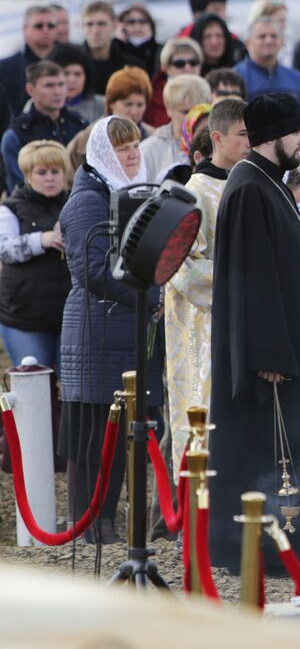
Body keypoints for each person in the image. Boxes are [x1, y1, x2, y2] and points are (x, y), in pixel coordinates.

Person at [209, 93, 300, 570]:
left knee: (293, 450)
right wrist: (270, 356)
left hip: (288, 346)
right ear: (273, 137)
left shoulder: (269, 182)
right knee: (271, 455)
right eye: (296, 132)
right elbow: (251, 282)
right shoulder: (248, 189)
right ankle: (267, 550)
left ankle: (298, 544)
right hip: (272, 361)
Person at [58, 116, 160, 544]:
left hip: (121, 328)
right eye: (122, 148)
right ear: (101, 153)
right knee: (92, 438)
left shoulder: (126, 192)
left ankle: (107, 521)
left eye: (135, 144)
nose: (133, 153)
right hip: (95, 330)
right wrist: (152, 296)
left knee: (117, 439)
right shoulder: (87, 201)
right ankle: (88, 523)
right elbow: (92, 269)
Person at [164, 97, 247, 465]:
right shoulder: (196, 191)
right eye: (243, 134)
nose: (250, 141)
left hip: (244, 320)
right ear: (217, 137)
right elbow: (183, 266)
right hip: (205, 326)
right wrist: (245, 283)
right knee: (204, 419)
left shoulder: (249, 183)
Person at [0, 140, 70, 370]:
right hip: (24, 316)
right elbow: (4, 250)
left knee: (72, 390)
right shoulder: (10, 207)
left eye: (55, 171)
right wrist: (43, 240)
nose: (49, 178)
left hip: (69, 315)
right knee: (34, 383)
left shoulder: (75, 203)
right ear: (28, 175)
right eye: (42, 172)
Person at [2, 61, 86, 192]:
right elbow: (18, 186)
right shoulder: (17, 134)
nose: (58, 91)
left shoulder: (80, 124)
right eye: (49, 86)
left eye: (61, 84)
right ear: (30, 89)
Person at [233, 17, 300, 119]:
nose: (269, 40)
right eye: (262, 36)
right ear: (248, 42)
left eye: (274, 36)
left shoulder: (297, 79)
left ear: (282, 41)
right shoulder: (236, 77)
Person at [139, 75, 212, 181]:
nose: (193, 118)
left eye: (198, 111)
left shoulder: (219, 146)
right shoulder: (148, 149)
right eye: (186, 112)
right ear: (169, 109)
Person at [0, 5, 60, 113]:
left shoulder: (69, 62)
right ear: (25, 29)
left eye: (50, 26)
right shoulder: (5, 68)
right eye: (39, 26)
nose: (45, 30)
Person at [79, 1, 132, 94]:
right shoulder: (73, 64)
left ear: (114, 26)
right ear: (82, 27)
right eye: (89, 24)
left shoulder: (130, 67)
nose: (95, 30)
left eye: (101, 24)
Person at [50, 44, 103, 123]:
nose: (72, 80)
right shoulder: (38, 104)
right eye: (66, 73)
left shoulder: (101, 105)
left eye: (78, 74)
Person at [103, 66, 154, 136]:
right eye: (128, 104)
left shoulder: (154, 137)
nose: (134, 112)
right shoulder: (90, 136)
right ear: (111, 103)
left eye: (140, 105)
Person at [117, 4, 160, 75]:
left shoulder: (161, 51)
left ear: (151, 26)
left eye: (143, 22)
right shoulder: (113, 51)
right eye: (131, 22)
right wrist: (119, 42)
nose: (137, 27)